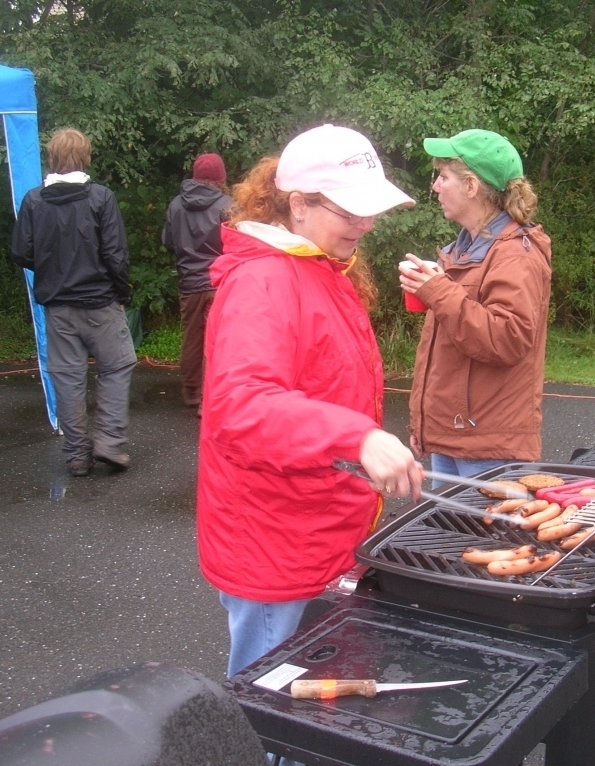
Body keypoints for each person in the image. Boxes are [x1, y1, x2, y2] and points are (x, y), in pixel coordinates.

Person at [197, 124, 423, 683]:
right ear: (297, 204)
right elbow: (244, 406)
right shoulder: (265, 282)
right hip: (275, 543)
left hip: (316, 527)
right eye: (350, 211)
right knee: (277, 705)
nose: (366, 225)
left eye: (370, 211)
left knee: (313, 697)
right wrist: (359, 439)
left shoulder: (317, 267)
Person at [401, 129, 552, 482]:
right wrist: (425, 426)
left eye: (444, 177)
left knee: (486, 539)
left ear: (471, 187)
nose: (435, 187)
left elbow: (507, 338)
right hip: (453, 439)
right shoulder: (465, 247)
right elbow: (456, 347)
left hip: (489, 450)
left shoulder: (516, 252)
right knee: (450, 537)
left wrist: (438, 290)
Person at [11, 127, 136, 477]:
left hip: (58, 307)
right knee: (118, 365)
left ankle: (78, 455)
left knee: (67, 378)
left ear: (51, 157)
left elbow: (21, 251)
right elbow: (115, 253)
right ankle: (109, 442)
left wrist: (51, 269)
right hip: (100, 303)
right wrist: (122, 292)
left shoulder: (34, 201)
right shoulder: (100, 197)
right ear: (85, 156)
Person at [161, 152, 233, 411]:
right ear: (220, 177)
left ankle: (192, 392)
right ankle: (210, 399)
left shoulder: (176, 205)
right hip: (220, 281)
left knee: (192, 337)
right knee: (217, 340)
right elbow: (236, 243)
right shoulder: (228, 205)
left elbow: (168, 242)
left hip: (189, 282)